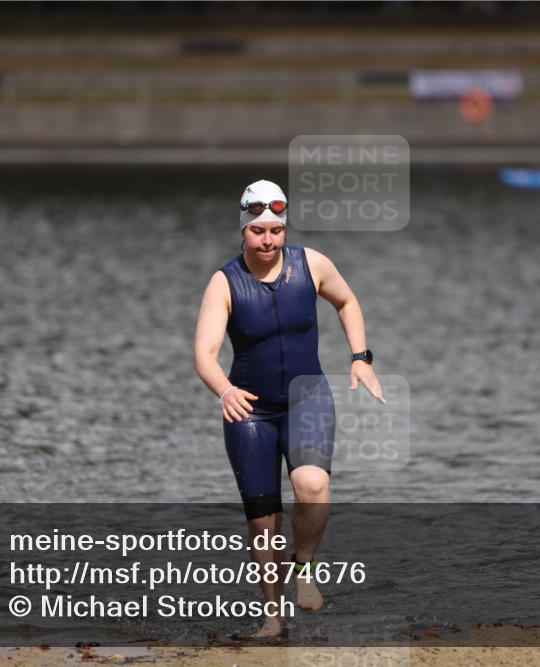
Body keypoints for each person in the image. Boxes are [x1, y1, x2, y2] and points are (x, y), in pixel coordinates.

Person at [193, 179, 386, 638]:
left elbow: (347, 300)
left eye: (276, 229)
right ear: (243, 229)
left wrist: (360, 358)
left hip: (308, 396)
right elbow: (204, 352)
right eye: (258, 229)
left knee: (312, 483)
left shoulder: (312, 264)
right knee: (263, 522)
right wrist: (224, 390)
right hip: (250, 411)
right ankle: (274, 618)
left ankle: (305, 567)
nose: (267, 239)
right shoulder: (225, 282)